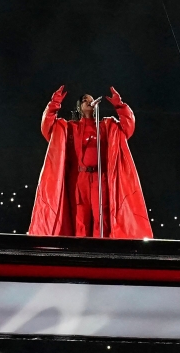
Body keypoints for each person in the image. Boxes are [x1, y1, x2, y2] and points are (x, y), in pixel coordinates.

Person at [28, 85, 153, 239]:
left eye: (91, 100)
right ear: (79, 107)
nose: (89, 102)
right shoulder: (70, 127)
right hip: (79, 179)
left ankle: (102, 250)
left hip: (101, 178)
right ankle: (80, 251)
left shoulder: (106, 126)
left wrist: (119, 105)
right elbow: (48, 128)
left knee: (102, 215)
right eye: (85, 100)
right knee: (80, 216)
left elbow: (128, 127)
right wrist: (54, 103)